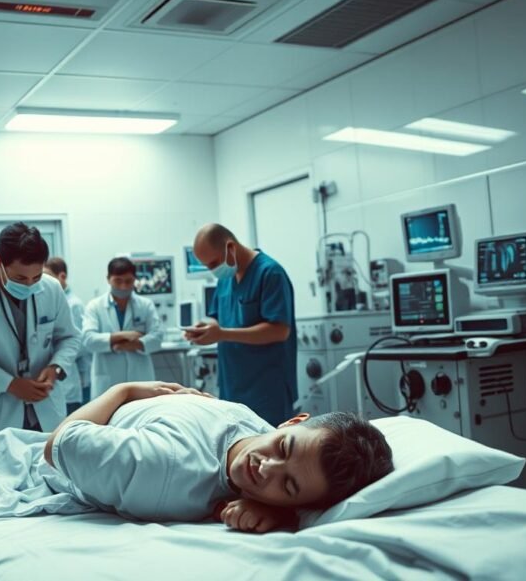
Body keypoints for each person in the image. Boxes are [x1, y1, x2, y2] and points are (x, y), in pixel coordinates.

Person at [44, 382, 393, 532]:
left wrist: (278, 512)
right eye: (283, 447)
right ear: (291, 421)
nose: (266, 467)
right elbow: (55, 445)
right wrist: (123, 390)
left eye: (288, 486)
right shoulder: (161, 468)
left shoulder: (252, 424)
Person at [0, 222, 80, 438]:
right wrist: (10, 384)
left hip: (42, 407)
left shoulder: (52, 289)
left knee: (46, 457)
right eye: (20, 278)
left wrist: (55, 367)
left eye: (36, 277)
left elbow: (69, 337)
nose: (29, 285)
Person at [185, 224, 298, 425]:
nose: (212, 271)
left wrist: (222, 334)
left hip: (267, 390)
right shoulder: (225, 280)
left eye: (214, 263)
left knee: (271, 442)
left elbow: (280, 330)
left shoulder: (270, 273)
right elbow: (216, 317)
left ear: (231, 247)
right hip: (232, 386)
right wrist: (205, 329)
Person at [82, 257, 163, 399]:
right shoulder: (95, 306)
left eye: (128, 281)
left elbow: (157, 337)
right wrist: (123, 336)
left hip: (140, 379)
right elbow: (88, 340)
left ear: (135, 280)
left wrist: (134, 345)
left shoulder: (145, 305)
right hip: (108, 382)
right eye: (118, 281)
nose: (124, 287)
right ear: (108, 279)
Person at [43, 256, 90, 413]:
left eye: (47, 277)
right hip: (54, 381)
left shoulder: (73, 304)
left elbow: (78, 345)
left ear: (62, 276)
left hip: (68, 379)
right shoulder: (48, 300)